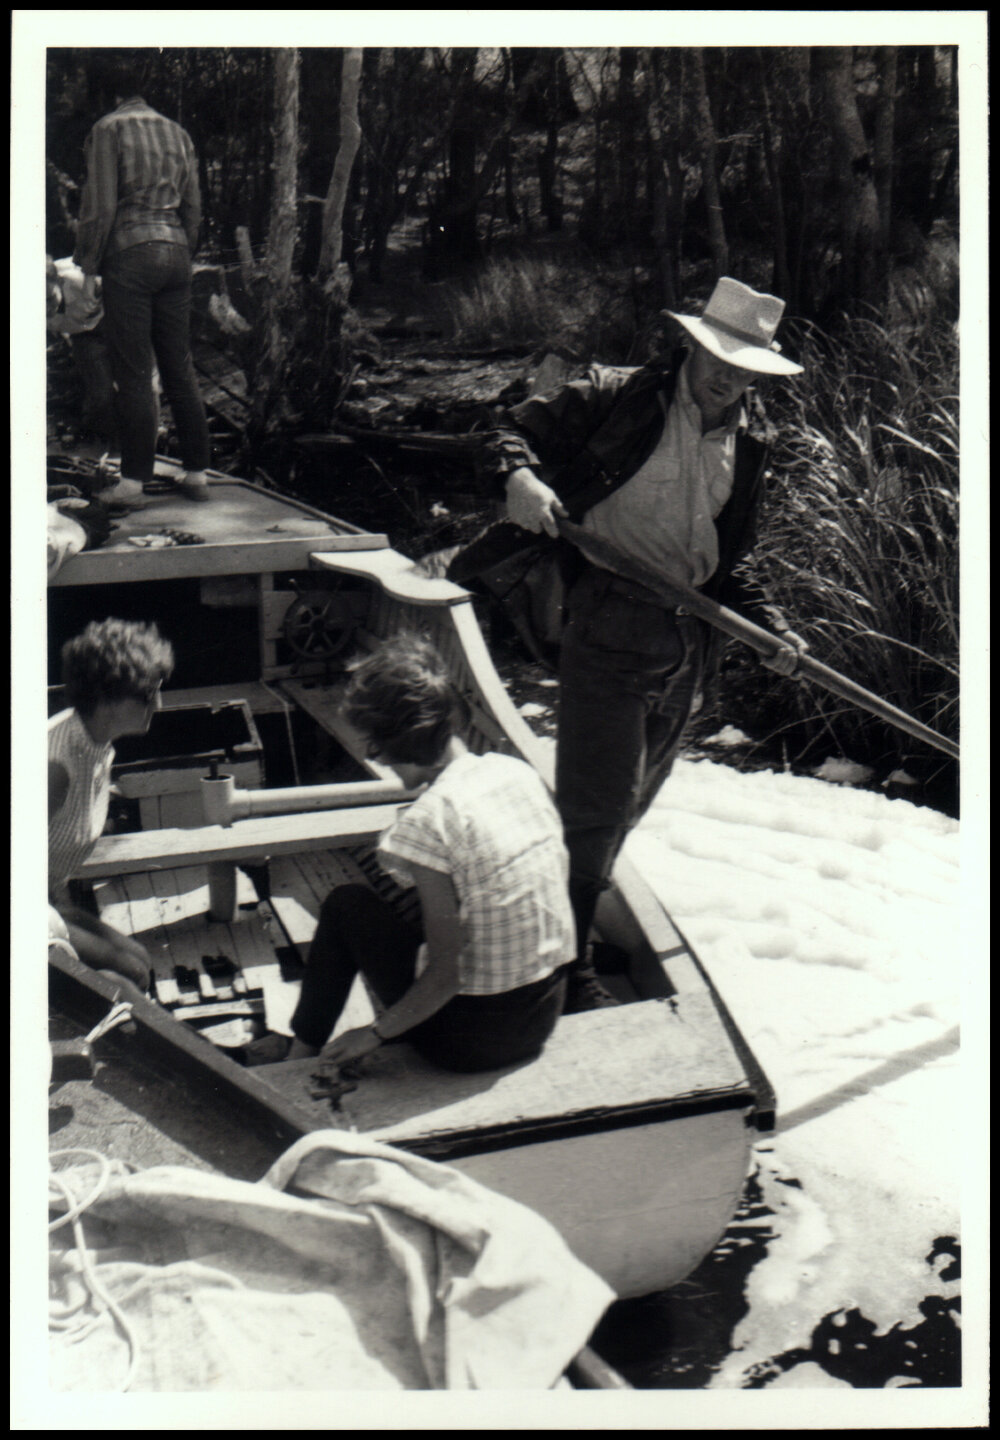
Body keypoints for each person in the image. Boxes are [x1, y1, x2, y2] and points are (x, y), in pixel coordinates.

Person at [449, 277, 807, 1011]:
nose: (727, 375)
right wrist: (518, 475)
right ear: (689, 345)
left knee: (633, 802)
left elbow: (727, 566)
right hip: (608, 618)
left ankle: (555, 924)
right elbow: (496, 428)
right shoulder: (616, 396)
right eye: (716, 356)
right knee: (598, 804)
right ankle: (567, 976)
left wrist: (774, 630)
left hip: (688, 642)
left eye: (744, 366)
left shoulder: (754, 441)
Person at [285, 636, 573, 1074]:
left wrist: (375, 1033)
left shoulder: (429, 820)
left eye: (377, 748)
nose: (374, 758)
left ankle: (299, 1055)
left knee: (348, 905)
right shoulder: (514, 772)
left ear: (404, 743)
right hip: (543, 1011)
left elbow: (447, 975)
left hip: (471, 1042)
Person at [72, 58, 211, 504]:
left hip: (130, 254)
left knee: (133, 373)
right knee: (179, 367)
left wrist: (88, 268)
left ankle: (132, 482)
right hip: (175, 252)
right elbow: (192, 207)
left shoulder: (108, 129)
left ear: (105, 95)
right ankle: (197, 475)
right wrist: (182, 252)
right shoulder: (178, 132)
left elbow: (100, 208)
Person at [49, 619, 175, 989]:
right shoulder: (55, 766)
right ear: (106, 698)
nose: (159, 703)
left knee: (141, 962)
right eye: (147, 694)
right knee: (129, 976)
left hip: (47, 898)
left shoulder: (94, 744)